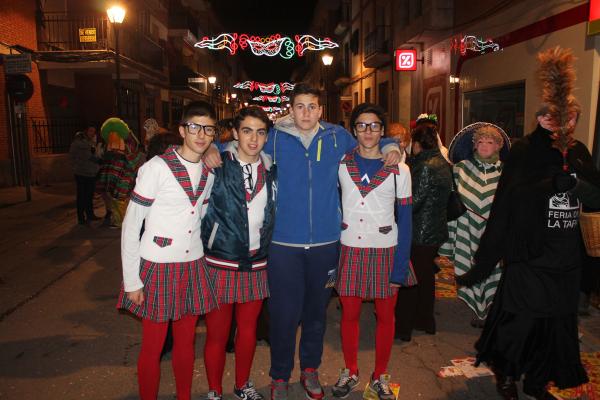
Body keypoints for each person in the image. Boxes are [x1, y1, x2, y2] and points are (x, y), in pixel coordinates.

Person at [202, 82, 401, 400]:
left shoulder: (337, 137)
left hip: (326, 243)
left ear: (320, 110)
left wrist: (392, 143)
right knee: (283, 314)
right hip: (283, 245)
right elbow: (243, 148)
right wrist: (215, 148)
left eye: (312, 106)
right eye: (300, 107)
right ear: (290, 110)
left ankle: (310, 370)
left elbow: (370, 139)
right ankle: (280, 375)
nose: (306, 113)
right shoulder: (275, 138)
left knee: (316, 314)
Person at [116, 101, 218, 400]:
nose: (201, 135)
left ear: (213, 134)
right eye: (195, 127)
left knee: (187, 344)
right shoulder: (156, 168)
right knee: (154, 345)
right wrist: (132, 281)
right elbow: (131, 225)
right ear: (182, 130)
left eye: (208, 129)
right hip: (158, 265)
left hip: (192, 264)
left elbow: (200, 216)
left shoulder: (209, 173)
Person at [332, 103, 414, 400]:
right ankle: (351, 370)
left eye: (375, 125)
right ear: (353, 130)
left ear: (383, 130)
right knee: (350, 315)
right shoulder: (340, 162)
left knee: (386, 316)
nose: (368, 131)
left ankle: (380, 375)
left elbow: (405, 221)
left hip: (385, 250)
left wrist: (399, 268)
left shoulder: (400, 169)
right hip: (350, 248)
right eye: (362, 125)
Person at [201, 106, 276, 400]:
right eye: (246, 131)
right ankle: (214, 391)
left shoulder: (272, 170)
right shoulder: (217, 163)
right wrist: (209, 148)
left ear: (266, 136)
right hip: (220, 260)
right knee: (217, 335)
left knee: (247, 332)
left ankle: (243, 384)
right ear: (235, 133)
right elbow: (180, 152)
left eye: (260, 132)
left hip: (257, 263)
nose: (253, 139)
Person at [438, 125, 505, 327]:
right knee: (469, 265)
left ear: (498, 146)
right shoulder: (460, 169)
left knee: (494, 269)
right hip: (466, 230)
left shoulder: (506, 172)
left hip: (494, 232)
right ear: (474, 145)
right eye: (481, 142)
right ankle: (479, 311)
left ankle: (491, 308)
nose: (485, 146)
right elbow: (449, 199)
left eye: (490, 142)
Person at [394, 122, 452, 342]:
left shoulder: (426, 165)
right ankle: (424, 320)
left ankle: (404, 327)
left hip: (420, 231)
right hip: (433, 229)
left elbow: (414, 201)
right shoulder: (441, 162)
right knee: (426, 278)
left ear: (417, 143)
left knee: (411, 279)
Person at [69, 125, 101, 225]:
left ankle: (90, 214)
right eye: (91, 131)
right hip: (82, 173)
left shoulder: (90, 142)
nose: (92, 133)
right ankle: (81, 217)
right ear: (86, 131)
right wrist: (101, 160)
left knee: (89, 195)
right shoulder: (80, 143)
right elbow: (89, 156)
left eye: (94, 131)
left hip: (90, 172)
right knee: (82, 195)